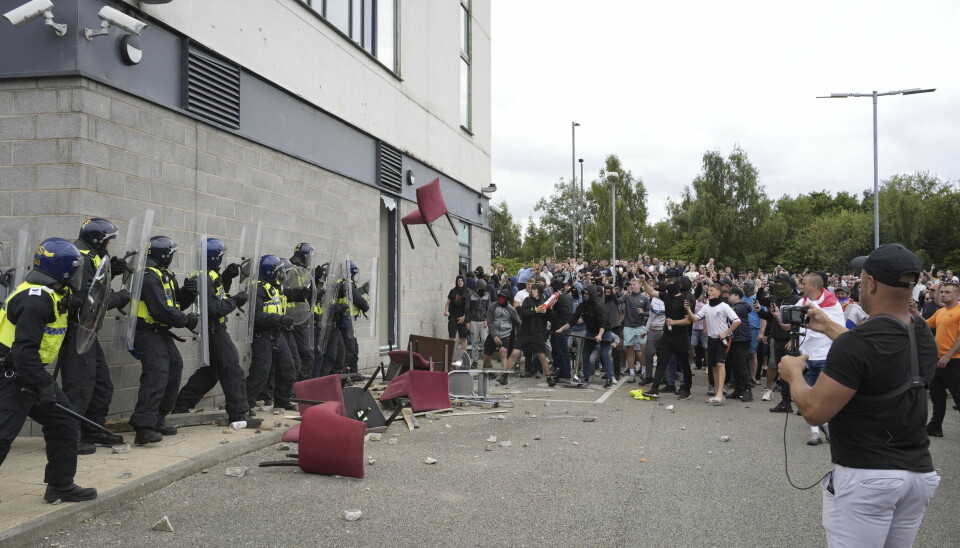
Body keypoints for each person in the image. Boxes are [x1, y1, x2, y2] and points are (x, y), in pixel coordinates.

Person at [779, 244, 940, 547]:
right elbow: (875, 354)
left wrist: (793, 373)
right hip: (917, 473)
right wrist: (828, 326)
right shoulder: (920, 332)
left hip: (868, 476)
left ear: (871, 283)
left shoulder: (859, 343)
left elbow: (814, 411)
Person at [0, 238, 98, 503]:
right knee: (3, 435)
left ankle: (60, 485)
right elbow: (23, 352)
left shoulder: (52, 292)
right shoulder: (35, 300)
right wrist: (43, 387)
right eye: (76, 270)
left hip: (28, 371)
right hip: (13, 373)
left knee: (64, 422)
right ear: (63, 271)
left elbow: (70, 307)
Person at [59, 218, 130, 454]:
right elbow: (88, 303)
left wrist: (109, 269)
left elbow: (94, 286)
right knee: (79, 386)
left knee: (101, 384)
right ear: (98, 240)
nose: (111, 246)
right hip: (76, 331)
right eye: (109, 242)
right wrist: (119, 297)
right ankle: (68, 438)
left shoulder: (90, 257)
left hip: (87, 333)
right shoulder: (82, 260)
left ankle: (92, 428)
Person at [173, 238, 261, 428]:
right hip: (214, 328)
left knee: (211, 372)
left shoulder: (209, 274)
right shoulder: (205, 277)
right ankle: (239, 415)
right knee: (232, 369)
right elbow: (214, 308)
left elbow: (217, 296)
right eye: (220, 256)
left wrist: (227, 278)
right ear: (213, 257)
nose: (221, 260)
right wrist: (236, 300)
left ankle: (181, 406)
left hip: (212, 329)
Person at [131, 236, 198, 446]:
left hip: (160, 332)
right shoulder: (148, 277)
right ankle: (144, 428)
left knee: (174, 367)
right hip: (147, 332)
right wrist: (186, 321)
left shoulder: (165, 275)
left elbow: (174, 304)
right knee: (157, 375)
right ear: (164, 255)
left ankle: (158, 420)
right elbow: (160, 310)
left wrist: (186, 294)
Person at [246, 255, 298, 412]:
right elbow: (256, 316)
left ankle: (282, 400)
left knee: (288, 367)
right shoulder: (258, 288)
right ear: (269, 271)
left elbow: (286, 295)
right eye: (277, 271)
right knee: (260, 372)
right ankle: (246, 405)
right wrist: (280, 319)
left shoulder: (273, 287)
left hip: (276, 333)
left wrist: (301, 292)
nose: (280, 274)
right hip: (262, 335)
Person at [638, 271, 694, 399]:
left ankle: (687, 390)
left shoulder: (684, 301)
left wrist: (674, 322)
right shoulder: (667, 296)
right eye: (667, 283)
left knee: (684, 364)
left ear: (678, 286)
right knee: (661, 362)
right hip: (667, 336)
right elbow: (652, 292)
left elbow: (688, 320)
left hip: (681, 337)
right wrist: (644, 282)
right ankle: (654, 389)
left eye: (671, 283)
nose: (668, 285)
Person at [684, 283, 741, 404]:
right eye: (708, 290)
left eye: (711, 290)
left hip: (722, 340)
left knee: (720, 364)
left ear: (718, 293)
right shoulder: (706, 306)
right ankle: (716, 393)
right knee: (713, 366)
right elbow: (695, 318)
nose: (708, 292)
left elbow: (737, 321)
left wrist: (726, 333)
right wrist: (688, 309)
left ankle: (720, 394)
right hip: (711, 339)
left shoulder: (724, 306)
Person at [755, 273, 802, 408]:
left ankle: (797, 400)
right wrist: (759, 311)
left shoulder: (796, 300)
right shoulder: (775, 298)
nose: (775, 285)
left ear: (786, 284)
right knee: (781, 371)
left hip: (790, 340)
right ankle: (785, 401)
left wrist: (793, 339)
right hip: (776, 339)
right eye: (773, 283)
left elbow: (798, 323)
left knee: (792, 372)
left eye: (778, 283)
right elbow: (770, 317)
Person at [556, 285, 615, 388]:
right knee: (585, 354)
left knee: (605, 354)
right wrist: (561, 329)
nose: (585, 295)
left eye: (587, 294)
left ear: (592, 295)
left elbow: (603, 323)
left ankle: (610, 379)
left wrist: (600, 335)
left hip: (604, 332)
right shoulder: (581, 306)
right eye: (584, 293)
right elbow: (572, 321)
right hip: (590, 332)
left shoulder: (599, 306)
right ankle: (586, 378)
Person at [924, 281, 960, 437]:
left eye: (947, 292)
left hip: (954, 360)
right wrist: (911, 314)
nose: (943, 294)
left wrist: (948, 355)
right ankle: (935, 427)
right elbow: (925, 325)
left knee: (958, 395)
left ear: (957, 295)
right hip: (939, 361)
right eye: (942, 292)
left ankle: (934, 426)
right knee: (936, 394)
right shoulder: (940, 312)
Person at [483, 287, 521, 385]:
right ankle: (491, 373)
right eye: (499, 296)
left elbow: (518, 322)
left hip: (505, 334)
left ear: (507, 299)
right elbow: (490, 322)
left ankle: (504, 376)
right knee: (486, 356)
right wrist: (494, 335)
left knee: (503, 352)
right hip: (492, 334)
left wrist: (518, 335)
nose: (500, 299)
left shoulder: (511, 310)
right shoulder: (492, 306)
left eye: (503, 297)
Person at [517, 284, 554, 381]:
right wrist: (535, 310)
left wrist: (550, 309)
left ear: (540, 291)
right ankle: (507, 374)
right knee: (520, 352)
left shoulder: (543, 303)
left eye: (535, 289)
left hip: (538, 333)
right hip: (526, 331)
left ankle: (547, 376)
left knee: (541, 355)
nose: (533, 291)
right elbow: (523, 313)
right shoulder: (527, 300)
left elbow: (550, 318)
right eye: (532, 289)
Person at [726, 288, 754, 402]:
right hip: (734, 339)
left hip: (741, 339)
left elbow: (730, 312)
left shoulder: (742, 307)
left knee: (741, 365)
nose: (728, 297)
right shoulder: (734, 306)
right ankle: (738, 389)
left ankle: (747, 390)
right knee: (734, 365)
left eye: (730, 295)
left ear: (737, 296)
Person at [621, 279, 650, 383]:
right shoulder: (627, 296)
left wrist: (643, 312)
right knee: (629, 350)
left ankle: (644, 371)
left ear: (639, 285)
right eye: (630, 285)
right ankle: (632, 373)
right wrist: (614, 292)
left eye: (634, 284)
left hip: (640, 327)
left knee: (644, 349)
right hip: (628, 327)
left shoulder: (645, 298)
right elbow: (617, 301)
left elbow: (650, 313)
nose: (631, 286)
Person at [444, 275, 470, 353]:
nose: (460, 282)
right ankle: (449, 356)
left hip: (462, 317)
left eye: (461, 280)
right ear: (456, 282)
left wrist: (464, 317)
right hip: (453, 316)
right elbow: (448, 303)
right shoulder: (453, 291)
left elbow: (468, 306)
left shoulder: (467, 292)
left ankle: (463, 357)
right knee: (451, 337)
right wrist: (446, 311)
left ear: (464, 281)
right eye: (458, 281)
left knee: (463, 338)